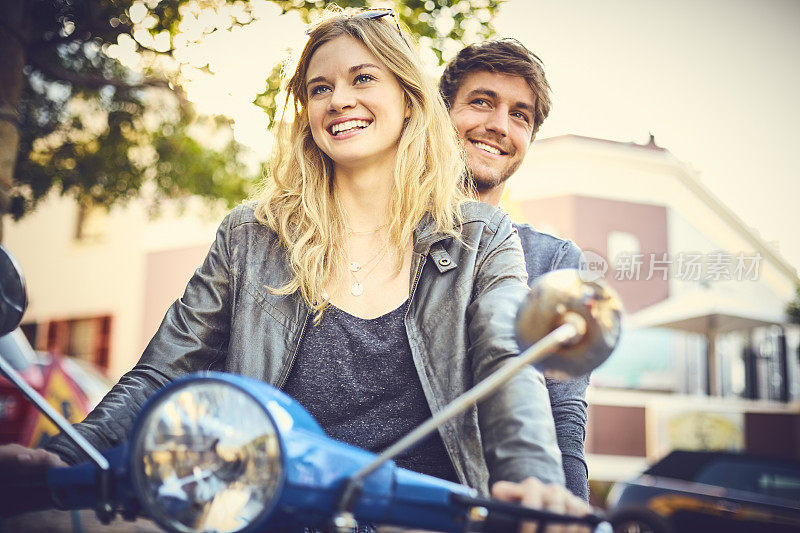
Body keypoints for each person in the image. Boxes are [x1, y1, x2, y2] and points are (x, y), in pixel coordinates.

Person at [0, 9, 589, 531]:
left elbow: (507, 362)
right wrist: (71, 455)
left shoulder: (481, 236)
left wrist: (535, 477)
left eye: (363, 79)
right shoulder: (250, 234)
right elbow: (160, 373)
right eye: (319, 87)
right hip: (263, 513)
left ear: (410, 99)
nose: (340, 99)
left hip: (421, 518)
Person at [440, 39, 591, 501]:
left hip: (494, 503)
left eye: (520, 115)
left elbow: (563, 413)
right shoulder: (383, 235)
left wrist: (568, 507)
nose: (498, 125)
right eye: (481, 102)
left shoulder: (555, 262)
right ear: (441, 115)